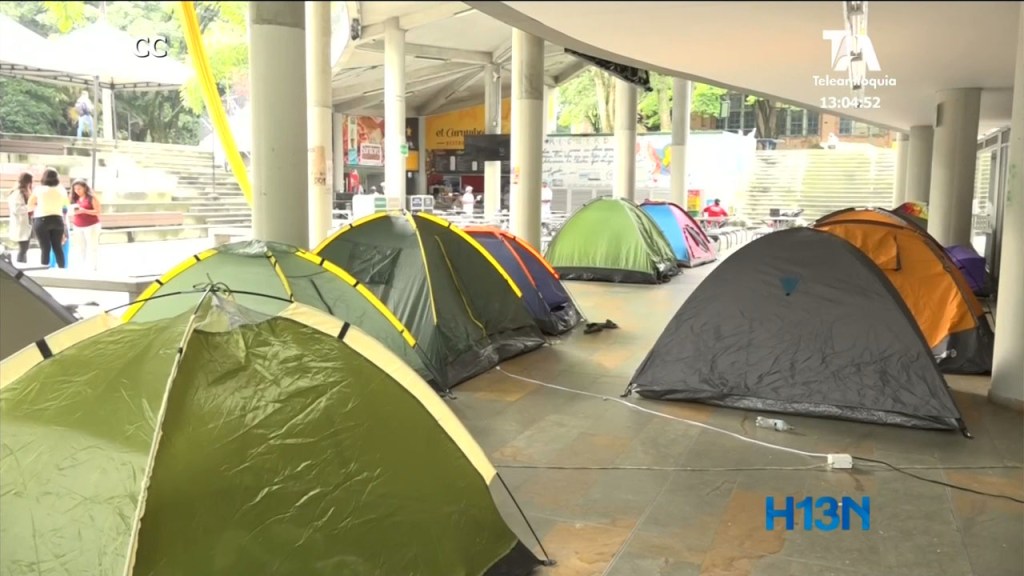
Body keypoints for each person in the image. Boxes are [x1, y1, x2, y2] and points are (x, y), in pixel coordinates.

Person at [26, 168, 69, 268]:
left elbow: (30, 205)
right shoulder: (62, 189)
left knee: (45, 248)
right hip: (58, 219)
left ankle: (44, 269)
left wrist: (38, 205)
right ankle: (62, 269)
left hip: (42, 220)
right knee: (58, 247)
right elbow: (65, 204)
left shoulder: (39, 189)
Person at [69, 179, 101, 271]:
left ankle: (93, 266)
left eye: (79, 189)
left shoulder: (91, 198)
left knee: (92, 246)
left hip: (91, 225)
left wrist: (84, 211)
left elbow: (97, 211)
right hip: (78, 225)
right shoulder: (74, 198)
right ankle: (82, 265)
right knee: (80, 247)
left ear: (85, 188)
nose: (77, 191)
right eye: (75, 189)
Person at [6, 172, 33, 263]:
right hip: (21, 224)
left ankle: (22, 264)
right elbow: (16, 209)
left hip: (25, 223)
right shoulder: (17, 193)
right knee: (23, 249)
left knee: (24, 248)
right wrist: (29, 207)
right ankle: (21, 265)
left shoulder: (23, 191)